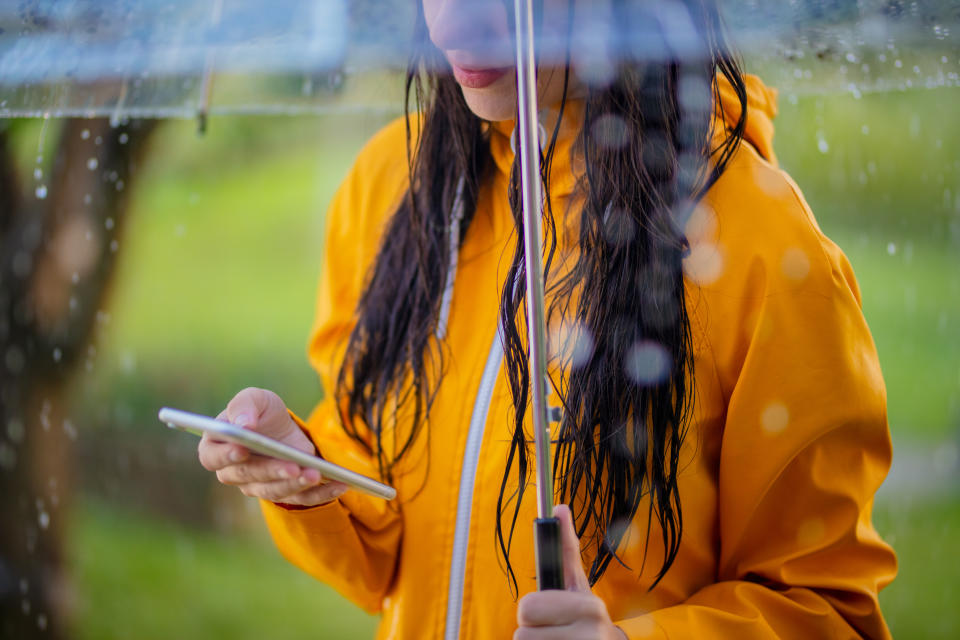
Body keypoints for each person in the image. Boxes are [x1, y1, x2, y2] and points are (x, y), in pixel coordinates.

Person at [198, 1, 897, 638]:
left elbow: (829, 611)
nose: (450, 28)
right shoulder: (393, 189)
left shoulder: (764, 255)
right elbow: (386, 560)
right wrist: (308, 473)